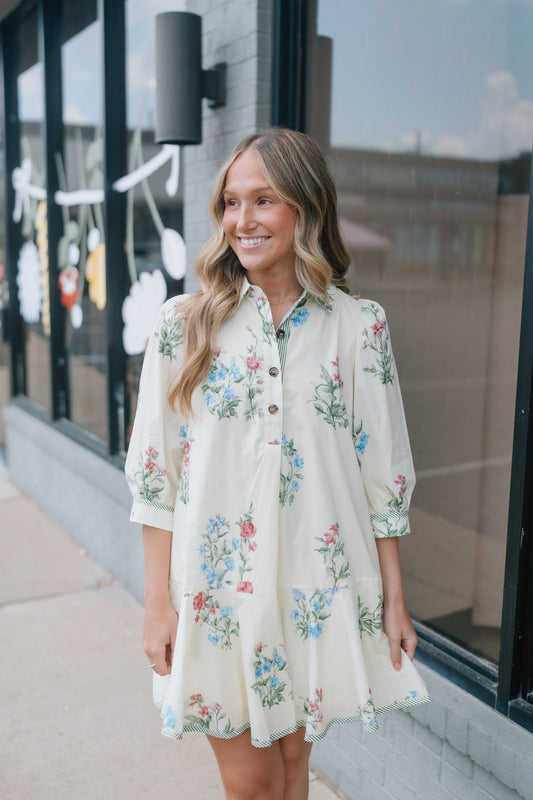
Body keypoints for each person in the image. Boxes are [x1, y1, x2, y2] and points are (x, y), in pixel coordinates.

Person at [125, 127, 429, 800]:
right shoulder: (184, 325)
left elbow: (382, 475)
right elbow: (156, 477)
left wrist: (392, 601)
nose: (241, 220)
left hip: (314, 589)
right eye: (231, 203)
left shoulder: (358, 327)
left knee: (294, 774)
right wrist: (156, 606)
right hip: (215, 597)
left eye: (262, 200)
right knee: (252, 786)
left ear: (305, 207)